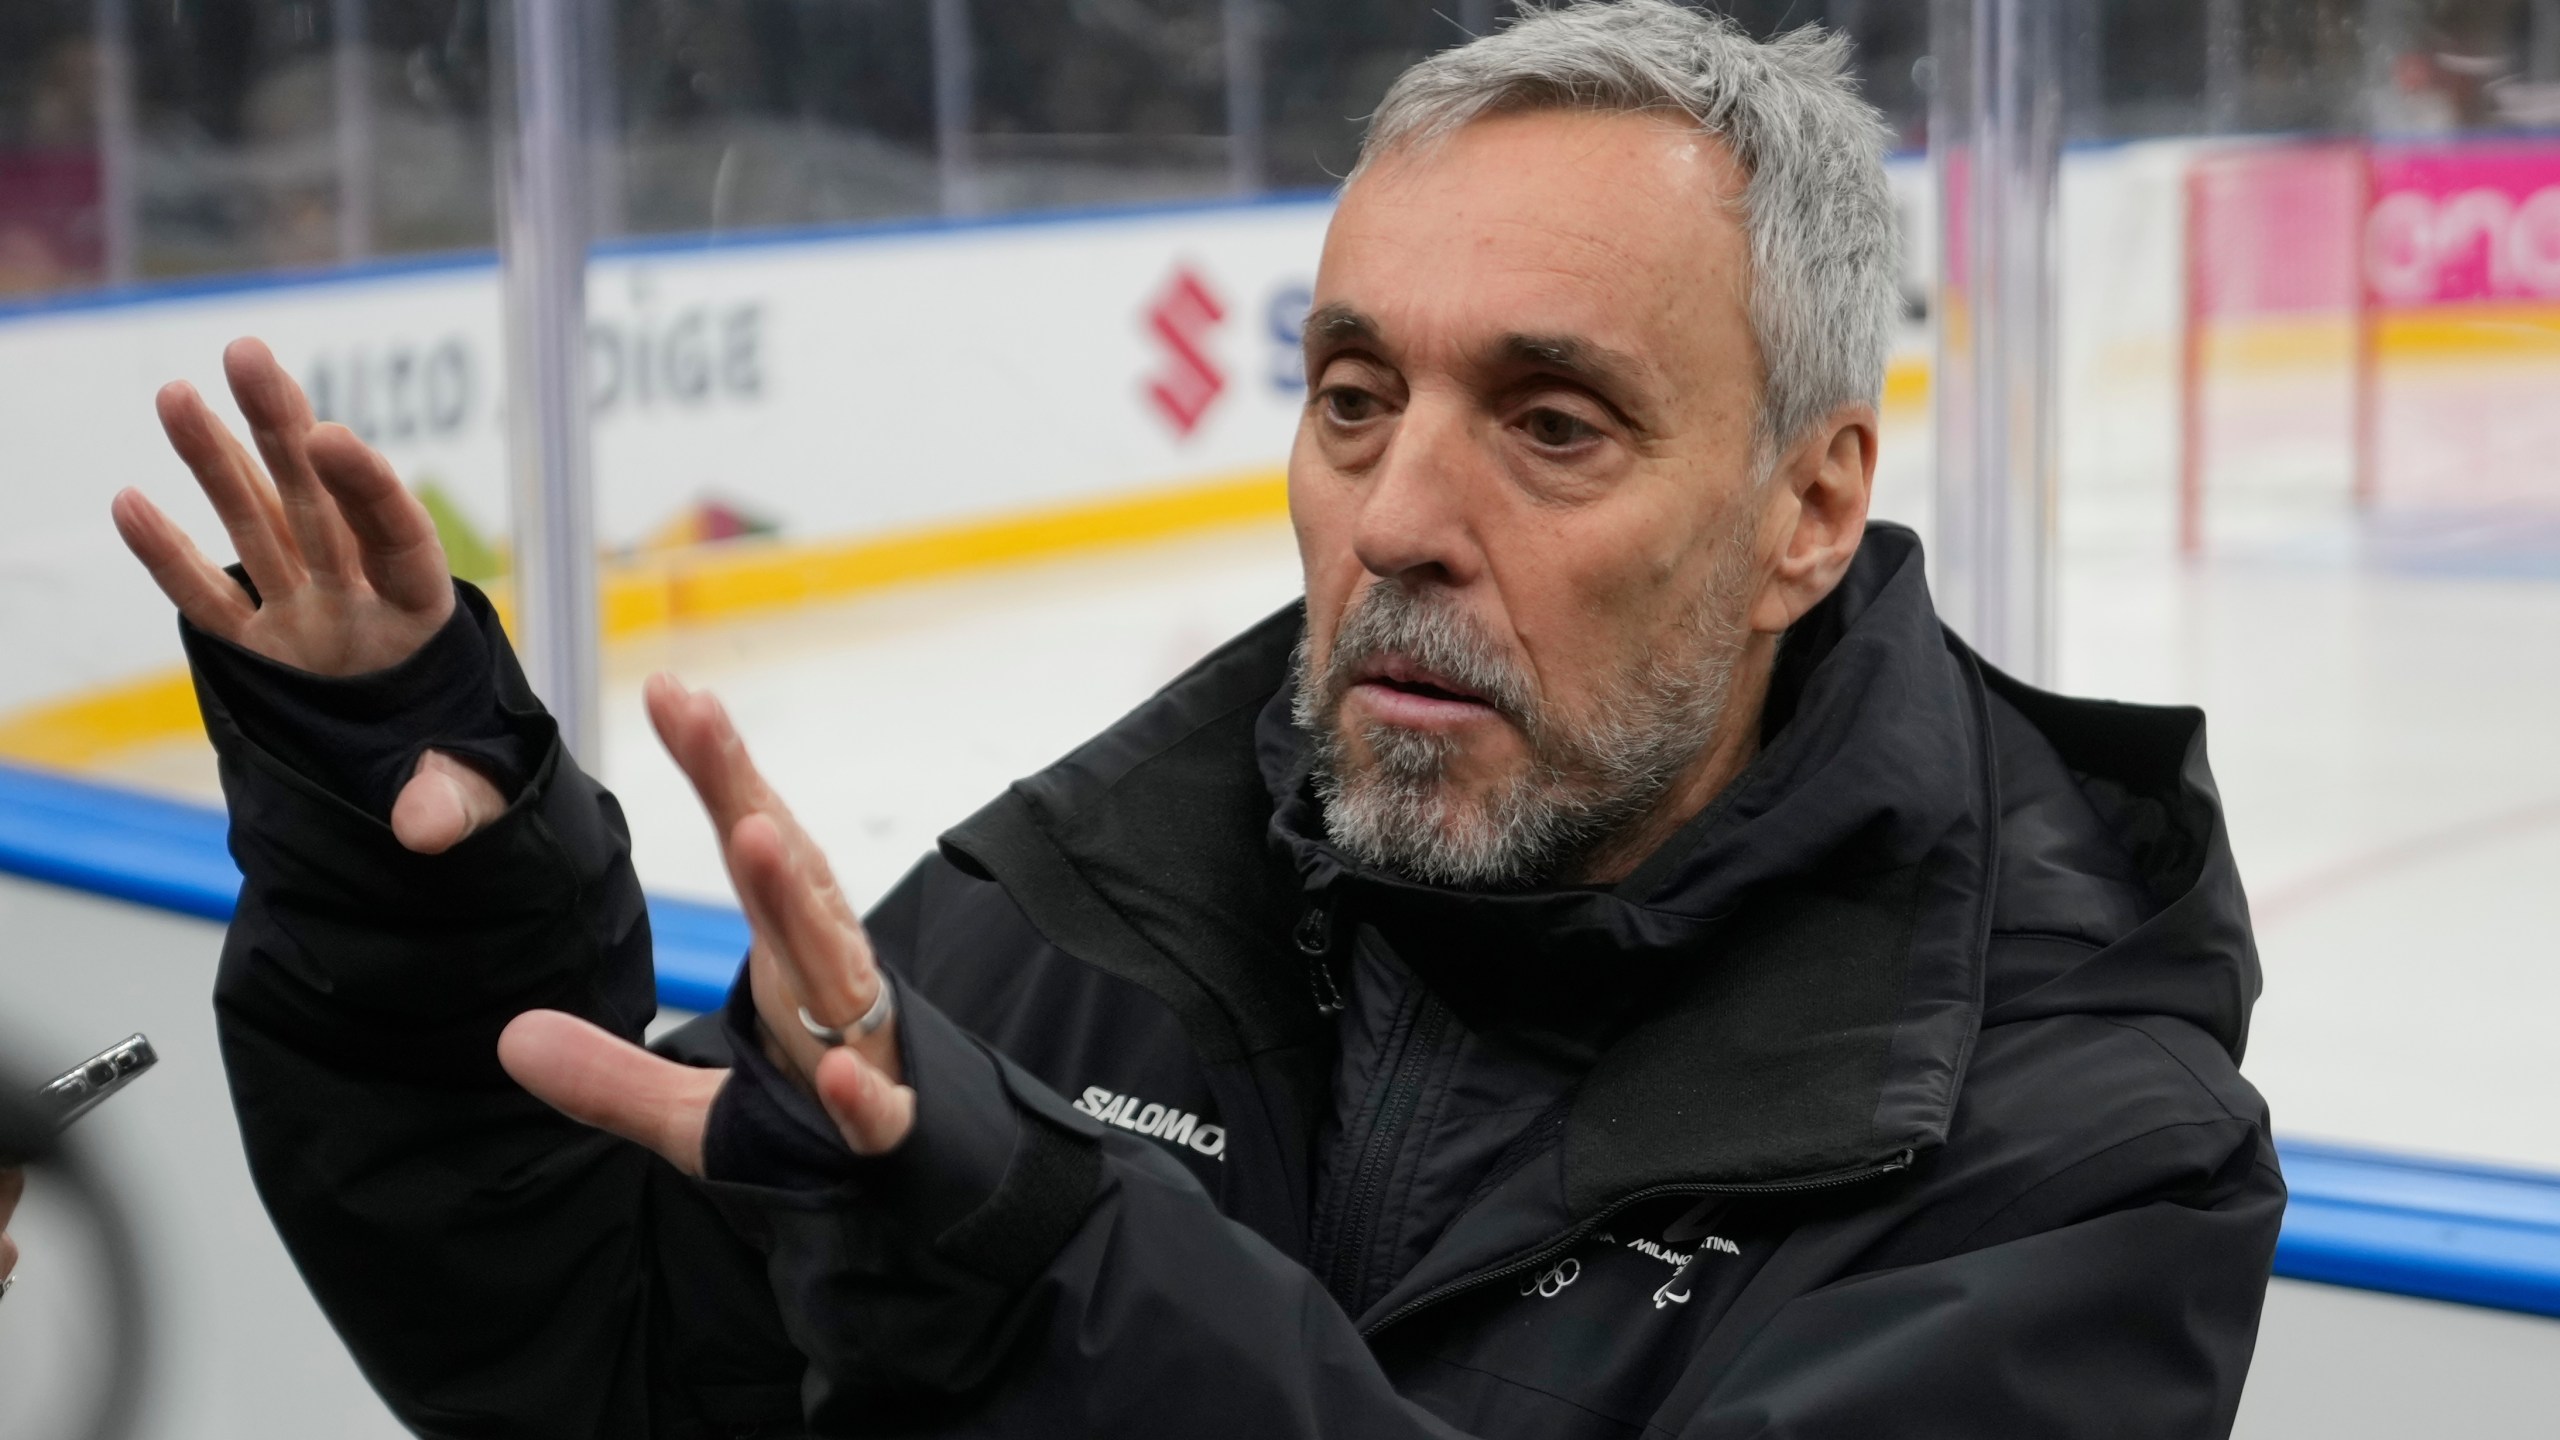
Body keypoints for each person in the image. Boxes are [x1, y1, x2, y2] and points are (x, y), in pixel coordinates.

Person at [110, 4, 2282, 1436]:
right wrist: (421, 884)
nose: (1398, 517)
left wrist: (1035, 1276)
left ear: (1805, 502)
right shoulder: (1096, 895)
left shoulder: (2073, 1150)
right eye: (1351, 398)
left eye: (1547, 421)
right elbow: (614, 1365)